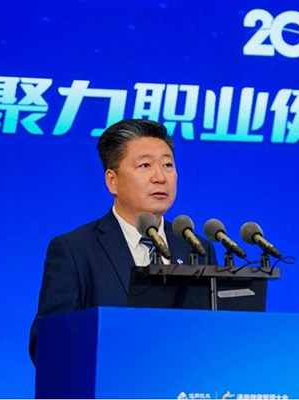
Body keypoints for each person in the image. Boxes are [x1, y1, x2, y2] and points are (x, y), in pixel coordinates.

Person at [29, 119, 216, 364]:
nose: (160, 177)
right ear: (112, 181)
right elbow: (48, 343)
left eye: (168, 165)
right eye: (145, 165)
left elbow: (217, 335)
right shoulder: (75, 250)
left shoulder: (197, 248)